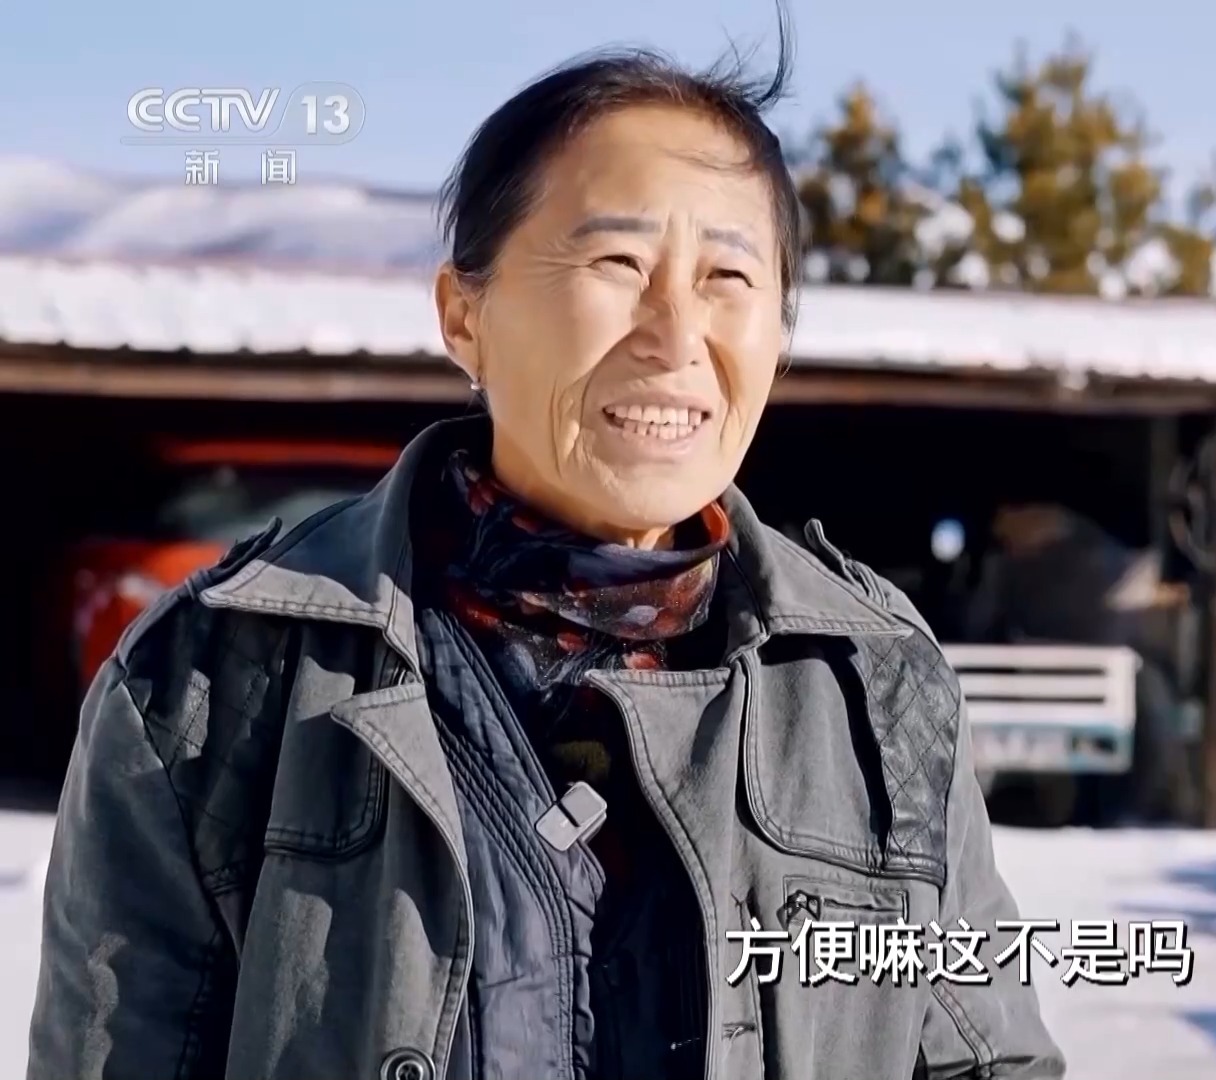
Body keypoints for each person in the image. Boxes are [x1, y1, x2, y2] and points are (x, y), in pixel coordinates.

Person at [29, 32, 1064, 1080]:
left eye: (728, 277)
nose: (676, 334)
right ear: (463, 315)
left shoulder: (871, 681)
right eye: (617, 264)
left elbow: (990, 1059)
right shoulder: (215, 679)